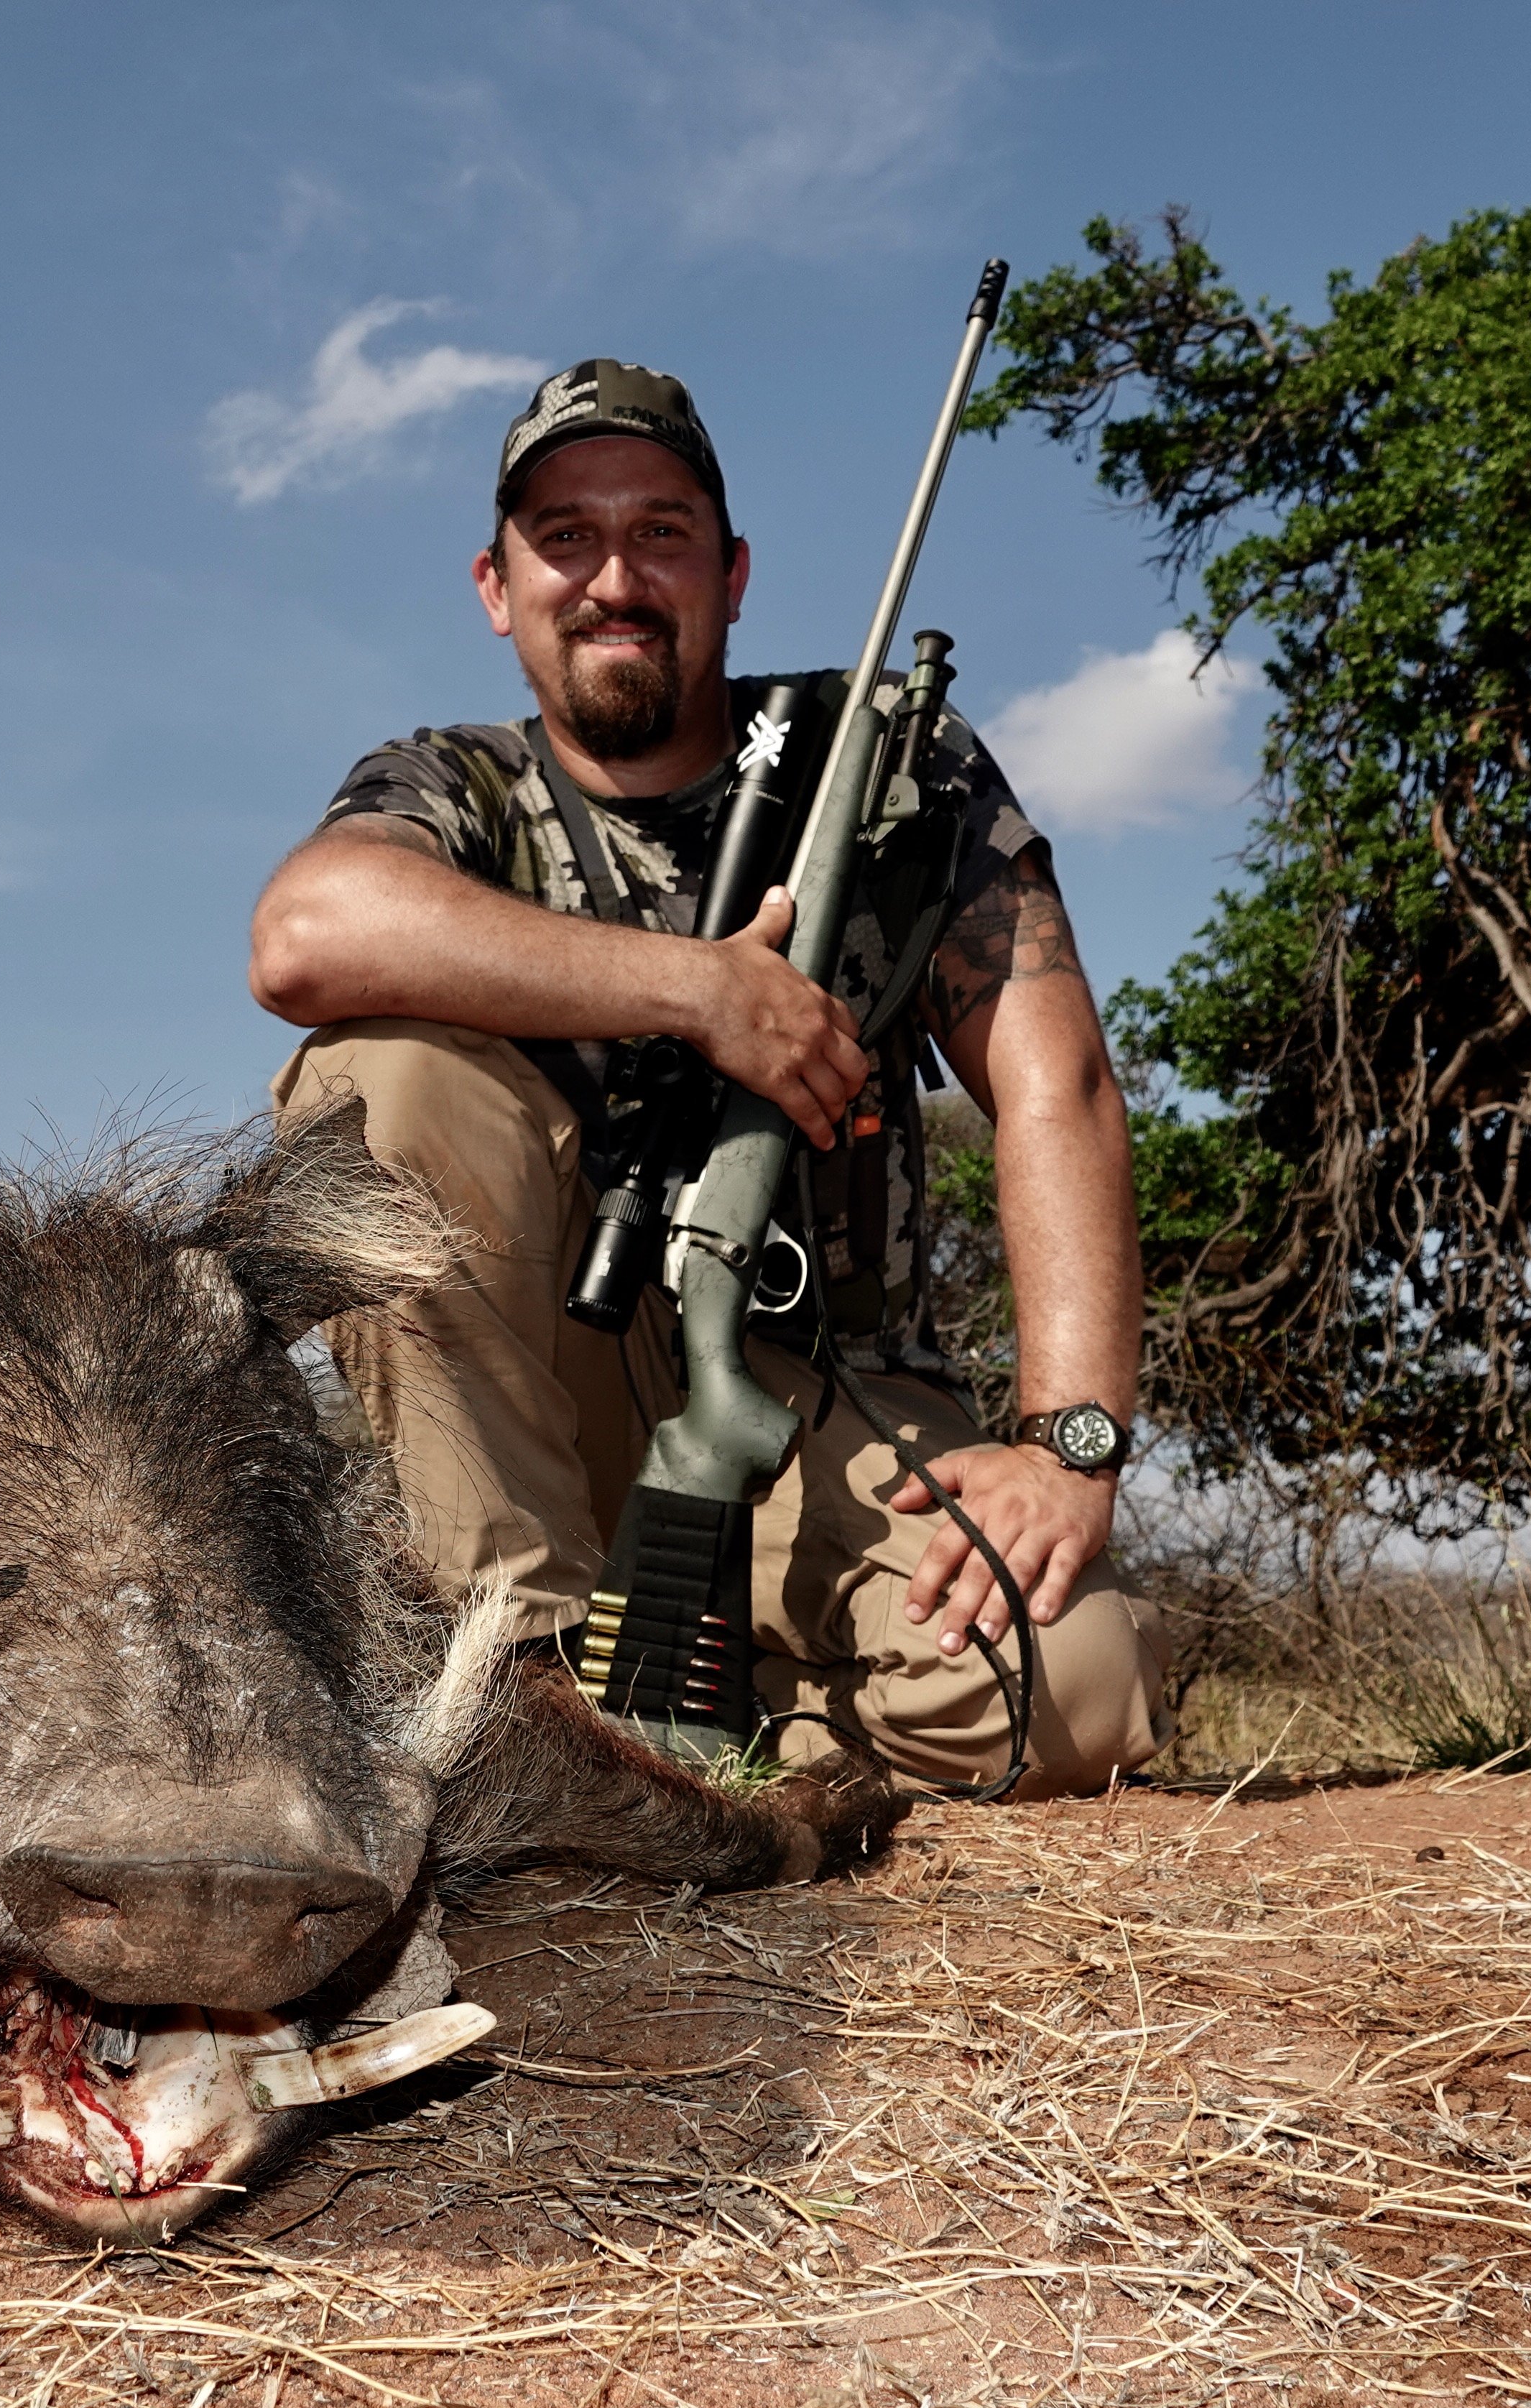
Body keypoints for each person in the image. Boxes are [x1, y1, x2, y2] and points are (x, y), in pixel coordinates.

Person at [246, 358, 1169, 1799]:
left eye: (661, 532)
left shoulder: (894, 765)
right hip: (528, 1421)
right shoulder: (452, 781)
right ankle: (536, 1700)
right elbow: (303, 936)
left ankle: (758, 1714)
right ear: (499, 587)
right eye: (567, 537)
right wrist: (703, 990)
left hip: (820, 1397)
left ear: (731, 573)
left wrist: (1069, 1442)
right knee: (379, 1079)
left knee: (1072, 1699)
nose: (615, 575)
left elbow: (1060, 1087)